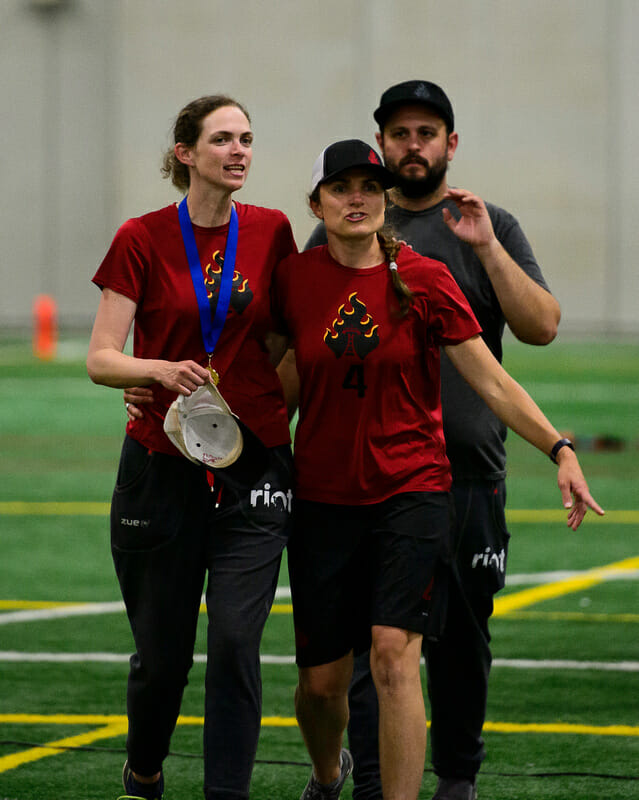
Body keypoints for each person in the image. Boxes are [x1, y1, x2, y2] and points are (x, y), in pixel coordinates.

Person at [272, 138, 603, 800]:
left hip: (413, 491)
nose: (357, 197)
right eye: (340, 188)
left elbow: (492, 381)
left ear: (385, 197)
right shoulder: (295, 281)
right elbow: (273, 389)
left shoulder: (422, 278)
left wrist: (559, 449)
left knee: (394, 655)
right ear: (316, 204)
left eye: (369, 185)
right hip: (323, 501)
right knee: (320, 685)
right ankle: (325, 772)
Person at [86, 94, 297, 800]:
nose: (239, 151)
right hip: (160, 464)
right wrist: (154, 372)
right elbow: (101, 358)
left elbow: (283, 339)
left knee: (237, 644)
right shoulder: (141, 237)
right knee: (163, 658)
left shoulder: (271, 232)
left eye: (246, 139)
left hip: (252, 464)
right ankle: (144, 772)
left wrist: (273, 410)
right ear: (185, 153)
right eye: (222, 140)